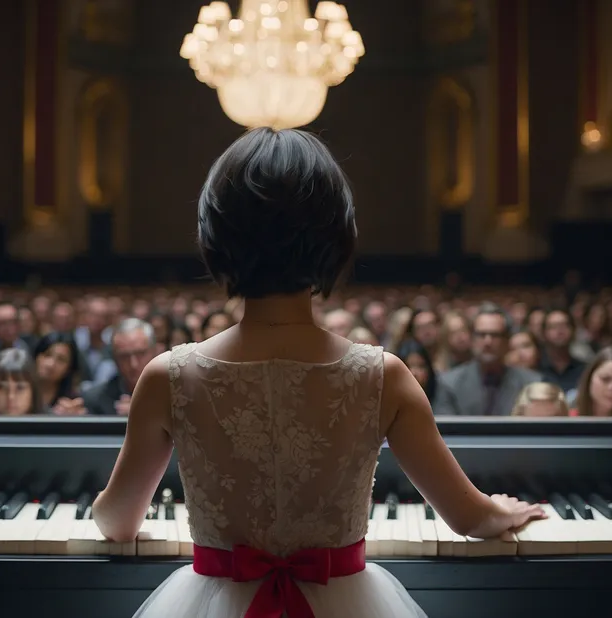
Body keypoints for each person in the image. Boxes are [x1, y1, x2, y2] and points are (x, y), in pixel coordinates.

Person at [90, 127, 545, 618]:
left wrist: (97, 505)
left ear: (216, 236)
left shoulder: (169, 376)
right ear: (335, 237)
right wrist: (507, 510)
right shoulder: (382, 376)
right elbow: (468, 516)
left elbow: (116, 523)